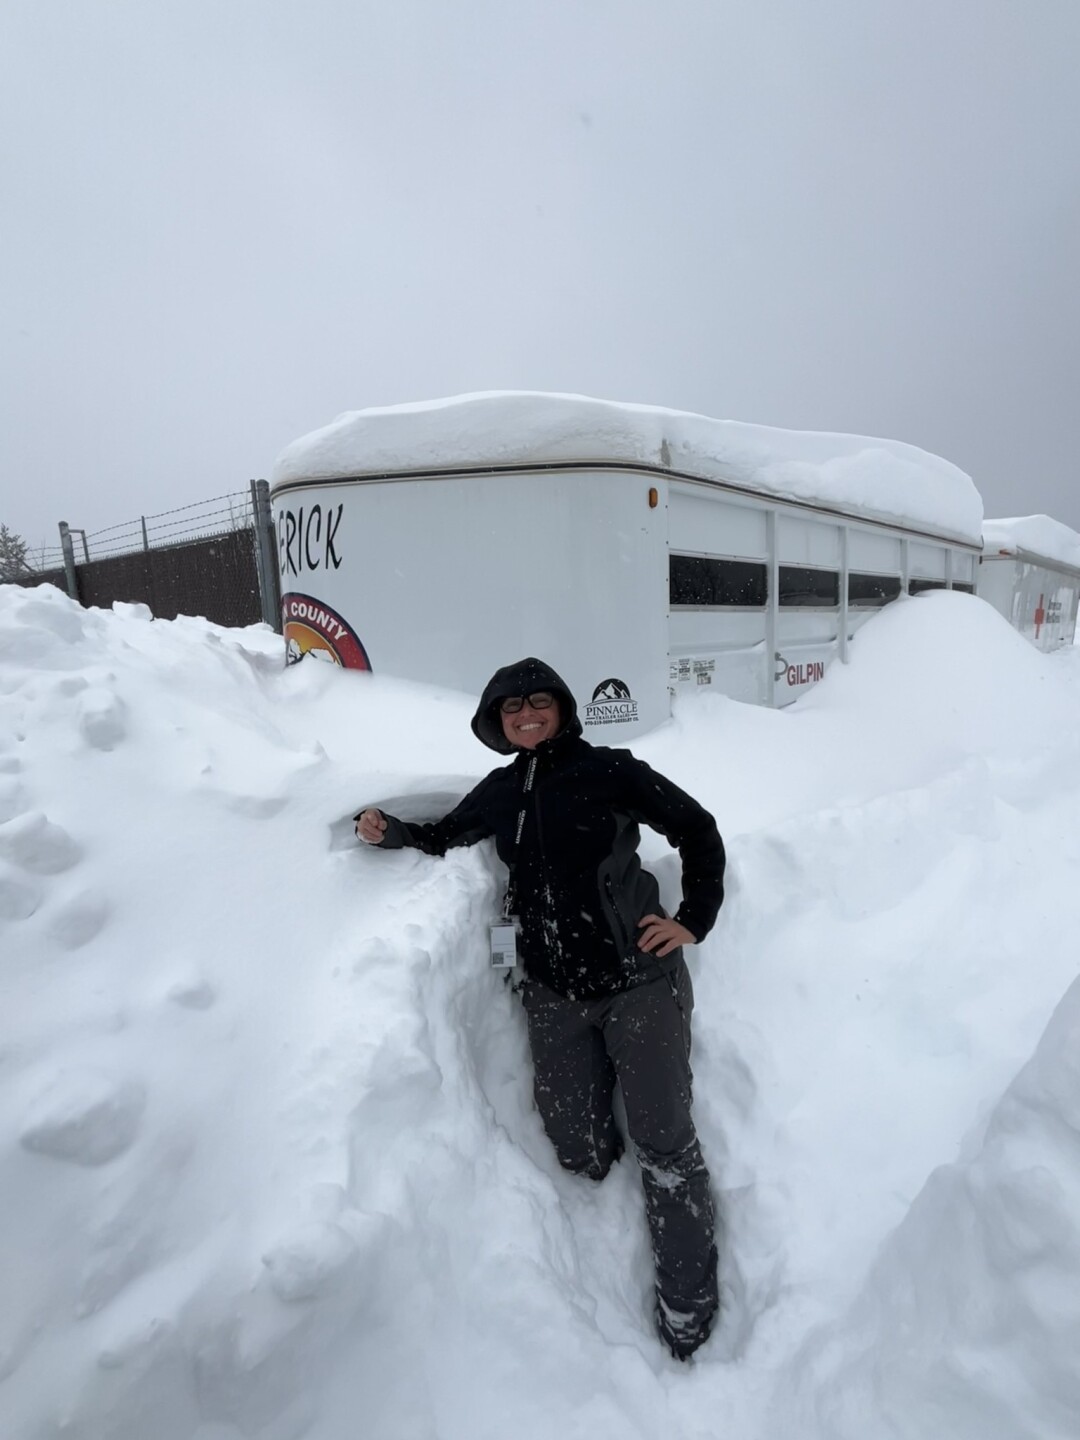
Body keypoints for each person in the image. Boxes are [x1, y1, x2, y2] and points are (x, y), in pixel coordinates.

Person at [355, 657, 725, 1359]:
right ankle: (604, 1191)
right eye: (510, 707)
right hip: (554, 994)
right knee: (576, 1146)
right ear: (495, 721)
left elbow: (697, 828)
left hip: (636, 981)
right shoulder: (499, 792)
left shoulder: (610, 771)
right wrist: (391, 831)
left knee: (665, 1142)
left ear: (560, 708)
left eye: (538, 701)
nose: (525, 714)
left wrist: (692, 919)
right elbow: (443, 835)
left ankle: (689, 1305)